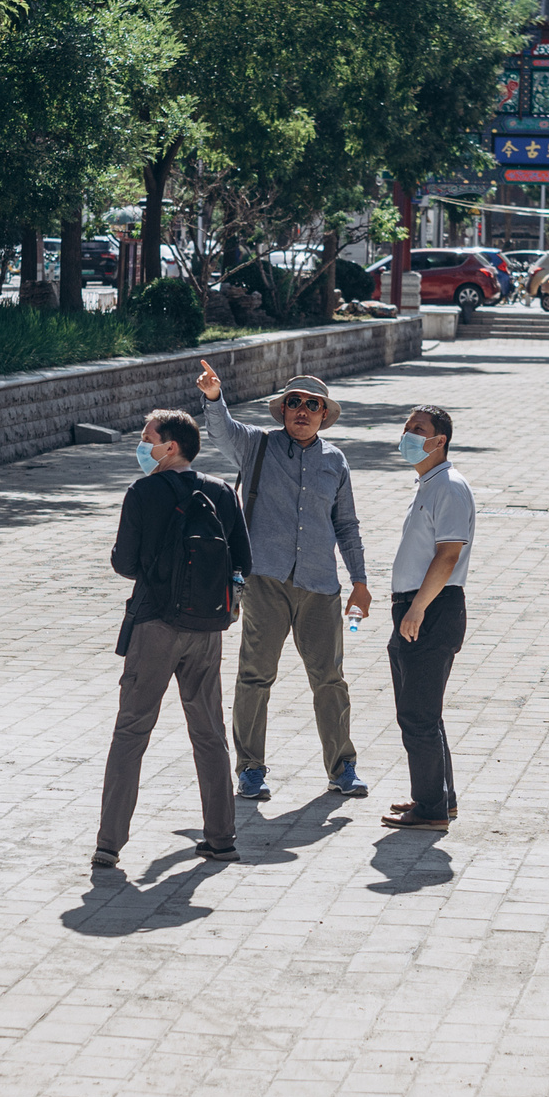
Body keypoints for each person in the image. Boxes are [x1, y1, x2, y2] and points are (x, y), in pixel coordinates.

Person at [194, 361, 372, 801]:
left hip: (320, 586)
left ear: (323, 414)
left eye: (313, 405)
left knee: (329, 679)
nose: (303, 411)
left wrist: (360, 581)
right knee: (255, 676)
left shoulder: (335, 460)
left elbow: (346, 525)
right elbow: (222, 431)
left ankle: (342, 767)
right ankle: (250, 769)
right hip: (265, 580)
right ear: (284, 409)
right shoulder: (258, 446)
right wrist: (214, 397)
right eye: (295, 402)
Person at [96, 408, 248, 869]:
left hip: (155, 625)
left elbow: (125, 564)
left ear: (171, 446)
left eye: (147, 439)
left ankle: (109, 843)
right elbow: (243, 558)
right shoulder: (222, 492)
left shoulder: (143, 492)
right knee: (210, 734)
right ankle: (222, 838)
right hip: (206, 630)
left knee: (132, 729)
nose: (142, 447)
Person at [381, 405, 473, 832]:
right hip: (417, 607)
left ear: (440, 441)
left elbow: (448, 553)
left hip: (432, 609)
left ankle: (431, 809)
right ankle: (439, 799)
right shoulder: (428, 485)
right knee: (423, 713)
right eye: (406, 427)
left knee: (418, 715)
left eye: (418, 429)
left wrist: (417, 607)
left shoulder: (449, 487)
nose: (408, 435)